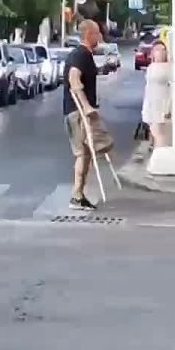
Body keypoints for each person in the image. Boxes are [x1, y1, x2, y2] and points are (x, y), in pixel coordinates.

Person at [64, 19, 114, 211]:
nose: (100, 36)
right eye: (97, 33)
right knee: (83, 154)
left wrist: (101, 70)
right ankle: (76, 196)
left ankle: (78, 194)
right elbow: (74, 79)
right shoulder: (80, 55)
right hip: (78, 112)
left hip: (78, 112)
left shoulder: (84, 55)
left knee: (86, 154)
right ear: (89, 34)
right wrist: (86, 107)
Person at [142, 41, 173, 147]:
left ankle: (159, 152)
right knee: (155, 133)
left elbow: (172, 87)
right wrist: (146, 109)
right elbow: (148, 88)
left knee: (161, 135)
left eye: (163, 50)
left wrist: (169, 107)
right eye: (158, 50)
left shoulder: (170, 67)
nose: (161, 52)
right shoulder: (151, 67)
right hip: (152, 103)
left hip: (163, 103)